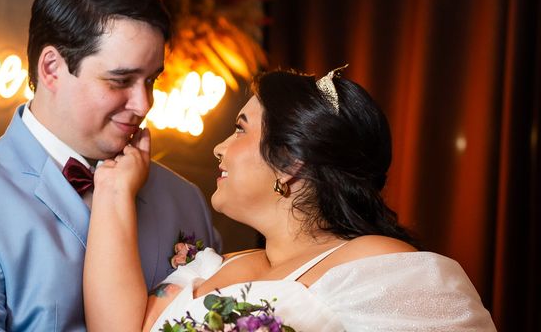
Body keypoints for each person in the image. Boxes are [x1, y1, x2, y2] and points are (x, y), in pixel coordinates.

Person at [0, 0, 220, 331]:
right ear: (52, 68)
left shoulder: (185, 199)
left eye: (151, 81)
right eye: (121, 80)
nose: (144, 104)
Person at [84, 67, 497, 331]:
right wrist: (115, 190)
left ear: (290, 161)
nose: (219, 148)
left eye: (241, 129)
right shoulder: (217, 265)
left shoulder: (379, 263)